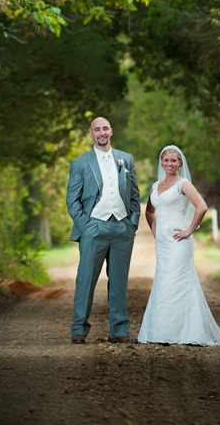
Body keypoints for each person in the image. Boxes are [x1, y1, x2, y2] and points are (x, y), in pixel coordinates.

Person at [138, 145, 220, 347]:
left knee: (177, 281)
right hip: (162, 243)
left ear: (180, 163)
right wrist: (153, 227)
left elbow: (202, 206)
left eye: (173, 161)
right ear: (161, 162)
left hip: (179, 241)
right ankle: (162, 331)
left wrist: (189, 230)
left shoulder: (183, 184)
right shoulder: (155, 186)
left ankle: (187, 330)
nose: (169, 164)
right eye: (166, 160)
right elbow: (150, 210)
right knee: (163, 281)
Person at [66, 115, 141, 344]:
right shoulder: (80, 163)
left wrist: (132, 223)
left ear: (111, 131)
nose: (102, 133)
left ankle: (119, 331)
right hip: (94, 227)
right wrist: (86, 226)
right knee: (86, 280)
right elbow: (72, 200)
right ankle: (79, 328)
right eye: (97, 129)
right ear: (91, 134)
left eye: (105, 128)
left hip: (122, 228)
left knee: (119, 282)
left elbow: (135, 196)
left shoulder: (125, 159)